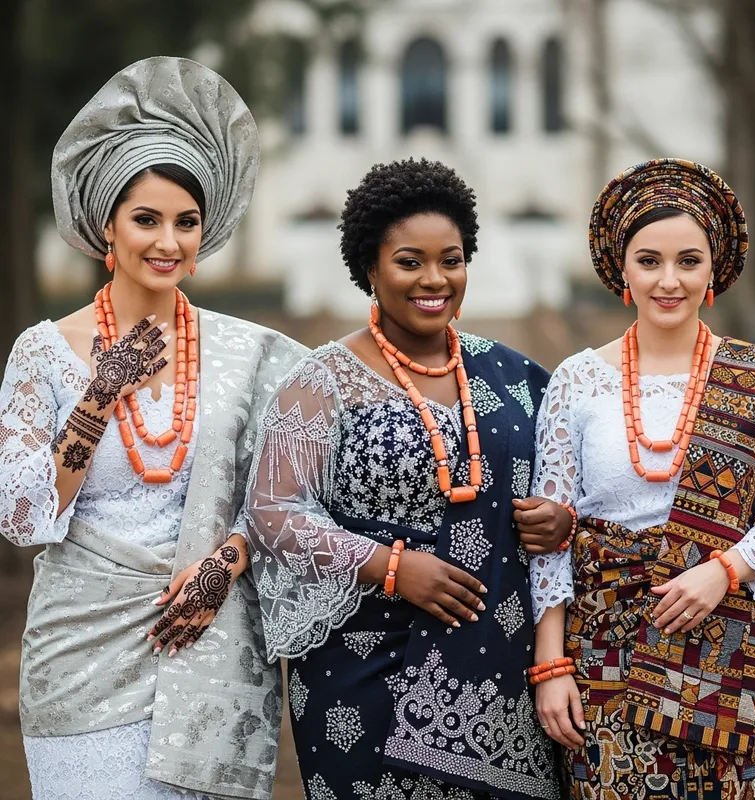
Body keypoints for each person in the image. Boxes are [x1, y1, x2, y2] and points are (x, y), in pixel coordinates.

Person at [1, 57, 306, 799]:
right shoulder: (44, 352)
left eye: (186, 221)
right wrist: (101, 391)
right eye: (146, 218)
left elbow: (298, 488)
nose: (167, 240)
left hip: (208, 652)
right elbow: (23, 518)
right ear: (106, 223)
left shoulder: (251, 354)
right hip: (81, 659)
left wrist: (225, 564)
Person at [245, 158, 570, 800]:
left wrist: (561, 519)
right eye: (409, 261)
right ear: (370, 267)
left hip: (503, 678)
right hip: (367, 675)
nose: (434, 279)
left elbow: (566, 483)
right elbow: (272, 512)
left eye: (451, 259)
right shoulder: (320, 383)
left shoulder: (518, 376)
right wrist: (388, 566)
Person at [527, 158, 755, 799]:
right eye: (649, 260)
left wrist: (727, 568)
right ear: (621, 268)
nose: (669, 281)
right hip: (604, 658)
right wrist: (550, 664)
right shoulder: (578, 381)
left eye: (688, 261)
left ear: (715, 270)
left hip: (733, 656)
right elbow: (548, 535)